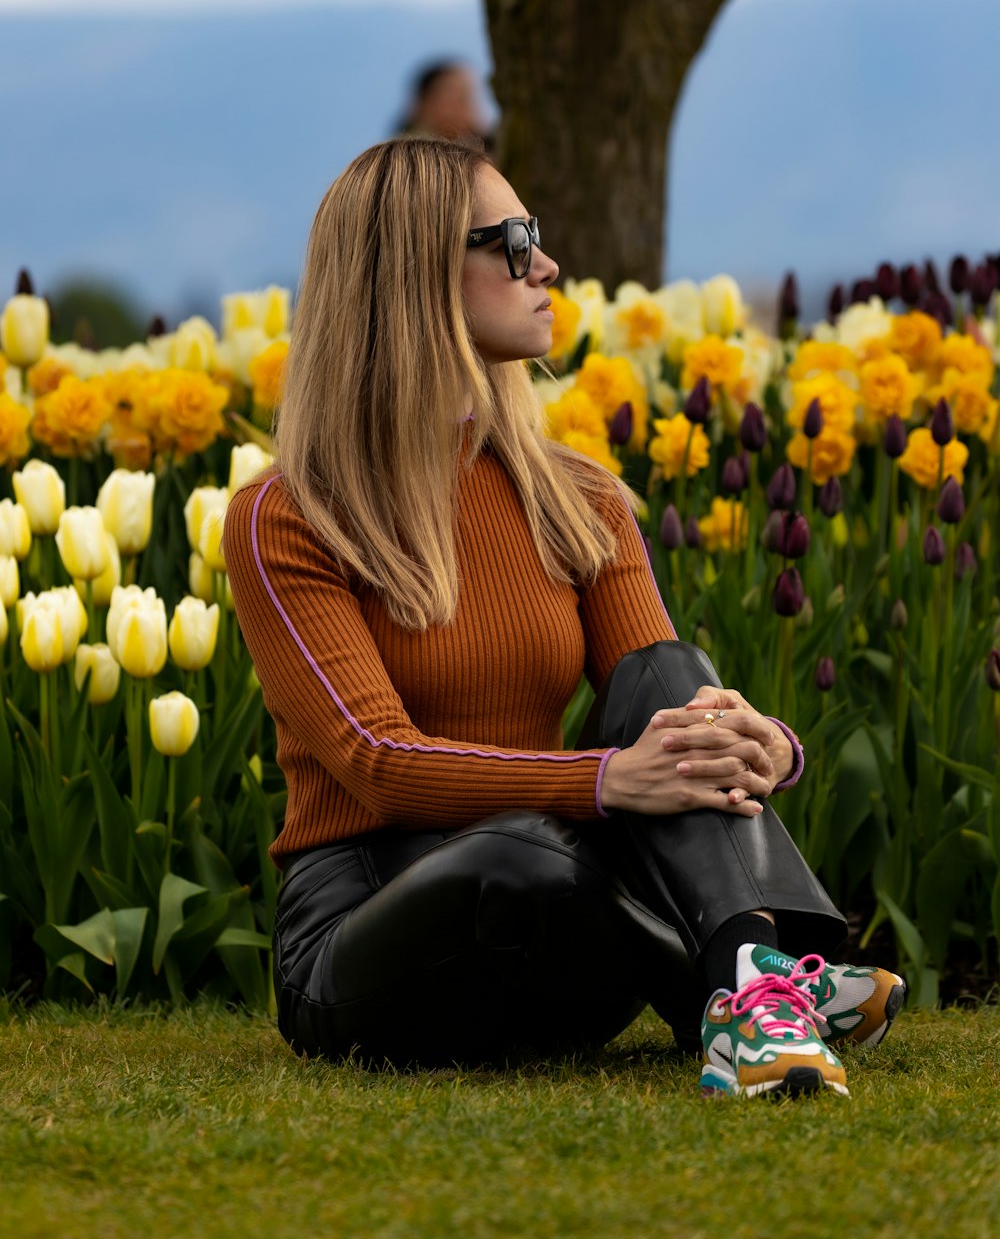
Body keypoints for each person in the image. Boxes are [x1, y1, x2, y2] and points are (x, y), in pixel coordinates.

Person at [224, 136, 904, 1097]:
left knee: (672, 681)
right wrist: (609, 779)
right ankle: (760, 979)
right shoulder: (291, 514)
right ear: (416, 271)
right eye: (512, 241)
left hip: (565, 929)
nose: (545, 264)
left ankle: (750, 989)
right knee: (524, 857)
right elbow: (374, 762)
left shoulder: (575, 494)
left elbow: (659, 707)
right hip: (377, 938)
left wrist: (767, 747)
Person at [396, 59, 492, 147]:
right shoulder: (408, 152)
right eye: (456, 99)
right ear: (425, 104)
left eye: (469, 98)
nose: (465, 108)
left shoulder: (483, 143)